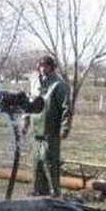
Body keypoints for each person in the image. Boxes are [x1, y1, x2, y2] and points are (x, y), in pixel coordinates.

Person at [22, 55, 71, 197]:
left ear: (52, 67)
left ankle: (55, 191)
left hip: (51, 130)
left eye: (46, 66)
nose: (43, 69)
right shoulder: (34, 82)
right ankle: (38, 189)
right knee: (36, 161)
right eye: (41, 66)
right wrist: (25, 122)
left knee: (49, 160)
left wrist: (64, 128)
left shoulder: (59, 85)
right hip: (36, 128)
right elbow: (29, 103)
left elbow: (66, 108)